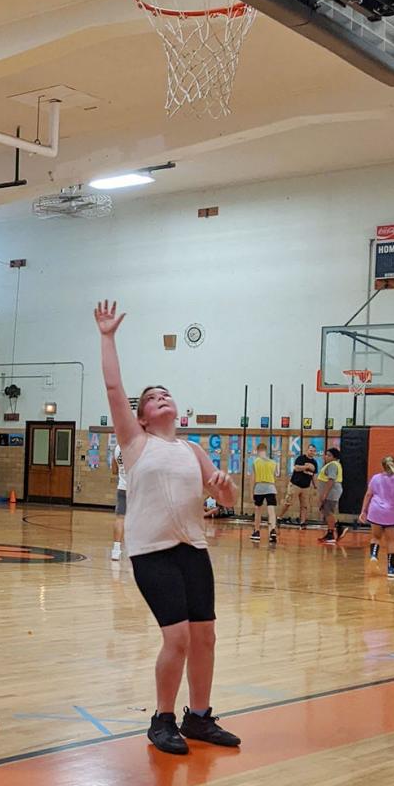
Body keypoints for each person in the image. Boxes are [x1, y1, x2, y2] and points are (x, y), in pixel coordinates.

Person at [94, 299, 241, 756]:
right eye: (152, 398)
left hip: (193, 549)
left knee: (205, 636)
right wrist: (107, 336)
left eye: (166, 394)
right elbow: (115, 386)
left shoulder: (193, 450)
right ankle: (162, 719)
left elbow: (228, 501)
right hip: (152, 551)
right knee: (175, 637)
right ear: (140, 416)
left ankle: (199, 717)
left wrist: (223, 484)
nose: (161, 398)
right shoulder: (135, 442)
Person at [358, 456, 394, 574]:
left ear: (382, 466)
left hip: (376, 511)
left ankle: (374, 555)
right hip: (391, 512)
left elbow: (368, 495)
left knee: (376, 537)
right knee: (391, 540)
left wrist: (363, 511)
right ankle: (391, 568)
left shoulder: (375, 478)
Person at [280, 443, 318, 527]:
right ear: (307, 450)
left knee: (304, 505)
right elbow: (296, 468)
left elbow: (314, 475)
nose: (312, 452)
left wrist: (315, 486)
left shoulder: (314, 462)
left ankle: (302, 522)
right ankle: (279, 517)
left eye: (314, 451)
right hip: (295, 484)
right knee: (288, 502)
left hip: (306, 487)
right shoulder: (301, 458)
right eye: (311, 450)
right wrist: (307, 467)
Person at [250, 442, 278, 545]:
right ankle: (272, 531)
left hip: (259, 488)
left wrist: (251, 492)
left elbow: (252, 479)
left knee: (258, 511)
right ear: (266, 451)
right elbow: (275, 476)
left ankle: (257, 532)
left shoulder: (255, 462)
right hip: (270, 487)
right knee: (271, 511)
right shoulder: (273, 463)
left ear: (258, 451)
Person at [316, 447, 345, 543]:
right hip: (331, 491)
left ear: (334, 457)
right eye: (326, 454)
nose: (326, 457)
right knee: (327, 511)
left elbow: (331, 480)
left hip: (331, 492)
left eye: (329, 455)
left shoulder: (333, 465)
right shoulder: (332, 464)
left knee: (328, 512)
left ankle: (331, 534)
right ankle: (337, 528)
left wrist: (324, 494)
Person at [111, 442, 127, 560]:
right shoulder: (139, 446)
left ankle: (116, 551)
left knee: (120, 518)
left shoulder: (117, 448)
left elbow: (114, 470)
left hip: (123, 487)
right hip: (138, 488)